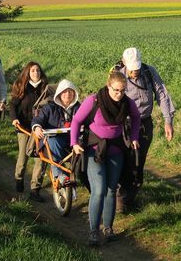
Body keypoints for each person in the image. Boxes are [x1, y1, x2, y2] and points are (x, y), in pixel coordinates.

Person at [71, 71, 141, 246]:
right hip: (94, 150)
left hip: (116, 150)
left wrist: (134, 137)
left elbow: (136, 117)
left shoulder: (127, 103)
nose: (119, 94)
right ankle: (93, 231)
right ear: (108, 86)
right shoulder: (94, 101)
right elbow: (76, 121)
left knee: (111, 190)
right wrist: (74, 143)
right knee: (99, 190)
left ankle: (108, 229)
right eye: (116, 90)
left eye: (123, 90)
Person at [111, 47, 176, 212]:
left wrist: (168, 121)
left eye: (137, 68)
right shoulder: (117, 76)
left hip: (144, 124)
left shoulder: (149, 72)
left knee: (139, 161)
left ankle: (130, 198)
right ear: (125, 63)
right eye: (132, 68)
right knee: (124, 160)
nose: (135, 72)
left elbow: (162, 94)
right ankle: (119, 201)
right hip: (123, 125)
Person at [10, 62, 49, 201]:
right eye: (32, 71)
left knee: (41, 158)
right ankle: (19, 177)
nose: (36, 73)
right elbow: (13, 105)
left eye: (38, 70)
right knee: (23, 156)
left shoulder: (46, 88)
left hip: (40, 128)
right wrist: (14, 119)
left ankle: (35, 189)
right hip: (25, 127)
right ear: (28, 72)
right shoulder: (22, 87)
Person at [31, 79, 80, 190]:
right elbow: (37, 119)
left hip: (73, 141)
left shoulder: (79, 108)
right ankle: (59, 175)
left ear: (74, 93)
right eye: (64, 92)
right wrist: (37, 127)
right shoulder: (50, 108)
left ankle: (82, 174)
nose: (67, 94)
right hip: (54, 142)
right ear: (59, 94)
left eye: (70, 91)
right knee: (54, 141)